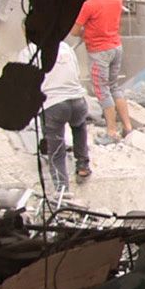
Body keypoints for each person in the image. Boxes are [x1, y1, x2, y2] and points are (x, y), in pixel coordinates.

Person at [34, 40, 92, 194]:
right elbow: (77, 73)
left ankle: (62, 191)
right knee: (79, 126)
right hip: (77, 100)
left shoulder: (30, 50)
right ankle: (82, 164)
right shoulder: (65, 46)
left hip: (53, 104)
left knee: (57, 151)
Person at [75, 0, 131, 143]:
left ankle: (111, 131)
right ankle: (128, 127)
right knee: (114, 87)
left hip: (99, 51)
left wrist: (84, 33)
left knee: (102, 90)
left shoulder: (89, 5)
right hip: (116, 46)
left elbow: (74, 31)